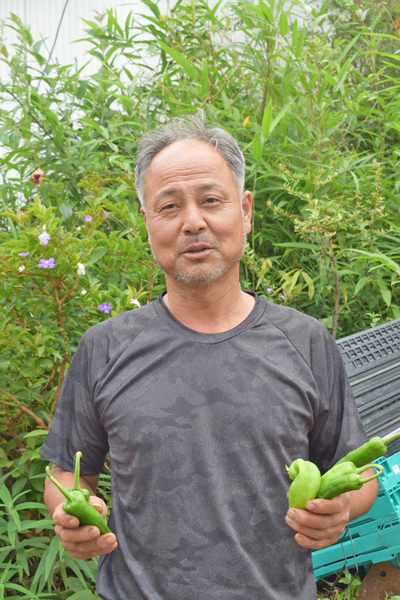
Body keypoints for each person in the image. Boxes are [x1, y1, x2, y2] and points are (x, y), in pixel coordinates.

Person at [40, 113, 378, 600]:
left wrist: (341, 507)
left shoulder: (305, 341)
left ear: (245, 211)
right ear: (147, 222)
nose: (193, 222)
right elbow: (66, 472)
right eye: (169, 206)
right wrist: (70, 512)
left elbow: (357, 469)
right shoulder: (105, 347)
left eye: (211, 200)